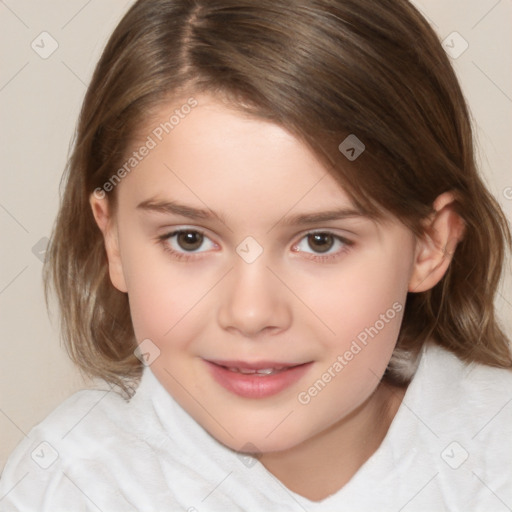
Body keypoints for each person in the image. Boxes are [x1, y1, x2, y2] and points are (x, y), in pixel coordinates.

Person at [1, 0, 511, 510]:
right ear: (113, 240)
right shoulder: (68, 485)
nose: (250, 313)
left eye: (320, 242)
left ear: (429, 244)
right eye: (189, 239)